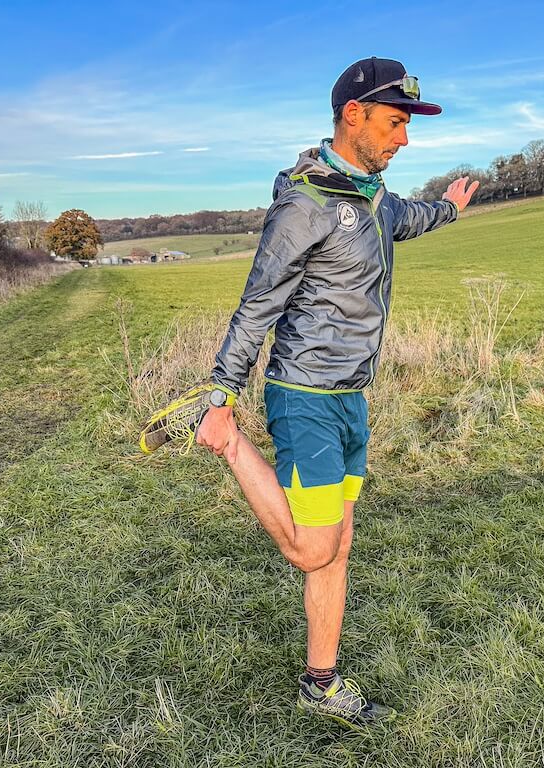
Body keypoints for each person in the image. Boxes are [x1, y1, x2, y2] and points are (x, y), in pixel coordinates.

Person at [195, 56, 478, 728]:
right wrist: (220, 397)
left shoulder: (372, 198)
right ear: (353, 115)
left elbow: (404, 218)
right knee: (312, 548)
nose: (404, 138)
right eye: (395, 122)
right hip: (305, 396)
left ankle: (320, 684)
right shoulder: (304, 206)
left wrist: (449, 209)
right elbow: (257, 305)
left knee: (339, 543)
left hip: (350, 398)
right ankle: (232, 447)